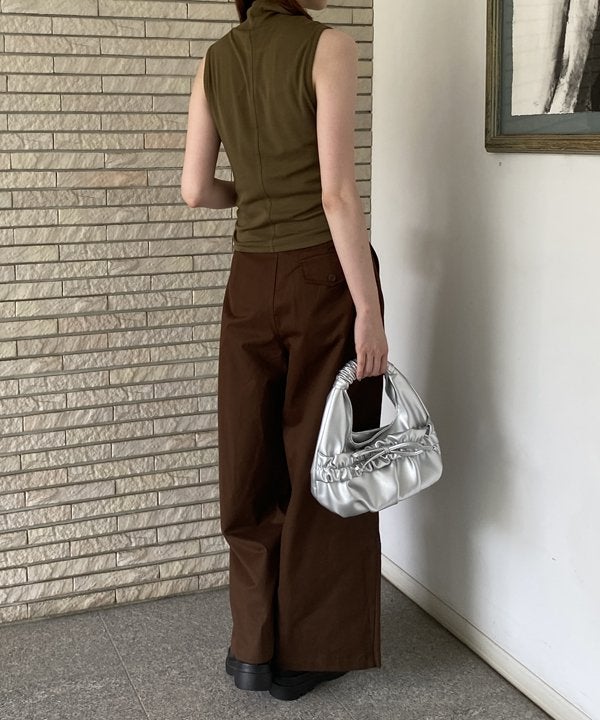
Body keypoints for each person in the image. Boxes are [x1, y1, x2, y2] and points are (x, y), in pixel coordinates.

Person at [181, 0, 388, 702]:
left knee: (251, 460)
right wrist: (368, 311)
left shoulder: (216, 60)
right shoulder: (329, 46)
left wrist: (253, 191)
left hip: (248, 279)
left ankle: (252, 647)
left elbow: (194, 189)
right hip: (319, 280)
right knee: (325, 458)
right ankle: (310, 650)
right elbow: (336, 195)